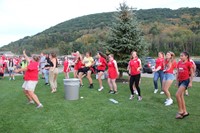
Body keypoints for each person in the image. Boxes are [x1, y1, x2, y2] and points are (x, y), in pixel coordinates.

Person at [175, 52, 193, 119]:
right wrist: (177, 81)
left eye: (182, 56)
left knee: (177, 95)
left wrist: (190, 82)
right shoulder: (179, 63)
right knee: (181, 96)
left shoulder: (189, 63)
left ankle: (180, 111)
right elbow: (178, 73)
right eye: (180, 56)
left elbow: (192, 73)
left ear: (186, 56)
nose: (180, 57)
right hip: (180, 81)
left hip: (185, 81)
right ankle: (185, 112)